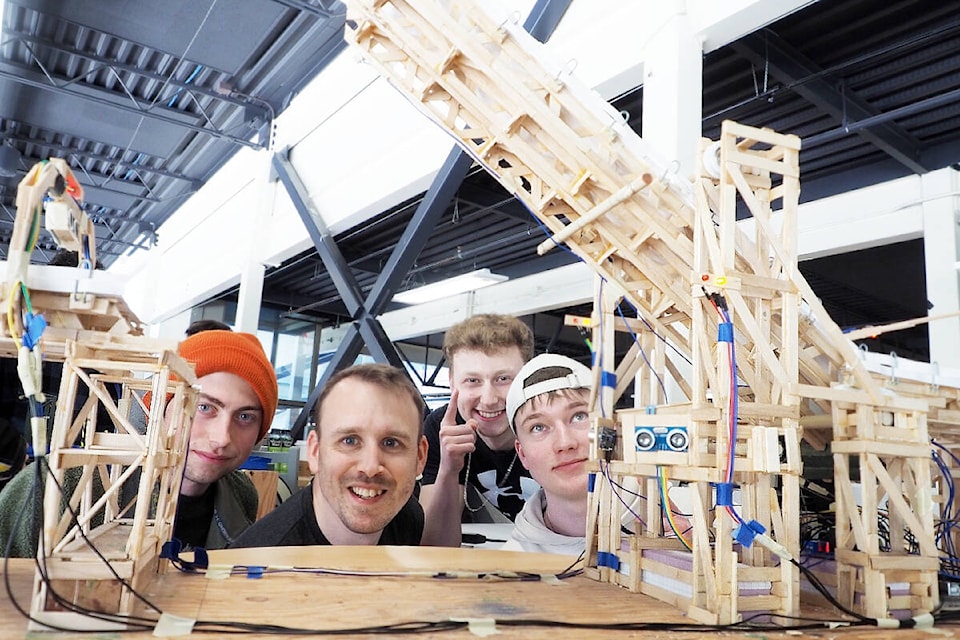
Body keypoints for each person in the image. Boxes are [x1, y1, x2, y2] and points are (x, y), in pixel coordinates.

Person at [0, 329, 279, 555]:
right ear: (159, 406)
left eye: (244, 416)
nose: (221, 438)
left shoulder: (241, 495)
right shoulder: (60, 484)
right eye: (204, 408)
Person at [231, 363, 428, 547]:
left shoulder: (407, 518)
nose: (370, 467)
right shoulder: (255, 566)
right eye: (349, 441)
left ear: (420, 457)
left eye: (391, 443)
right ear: (315, 452)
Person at [419, 314, 538, 547]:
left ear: (527, 378)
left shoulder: (555, 425)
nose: (489, 399)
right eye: (472, 381)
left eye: (503, 379)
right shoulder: (443, 427)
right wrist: (448, 470)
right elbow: (433, 546)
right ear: (453, 383)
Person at [500, 353, 592, 555]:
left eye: (579, 416)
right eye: (538, 427)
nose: (565, 443)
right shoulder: (514, 563)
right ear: (522, 454)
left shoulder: (671, 524)